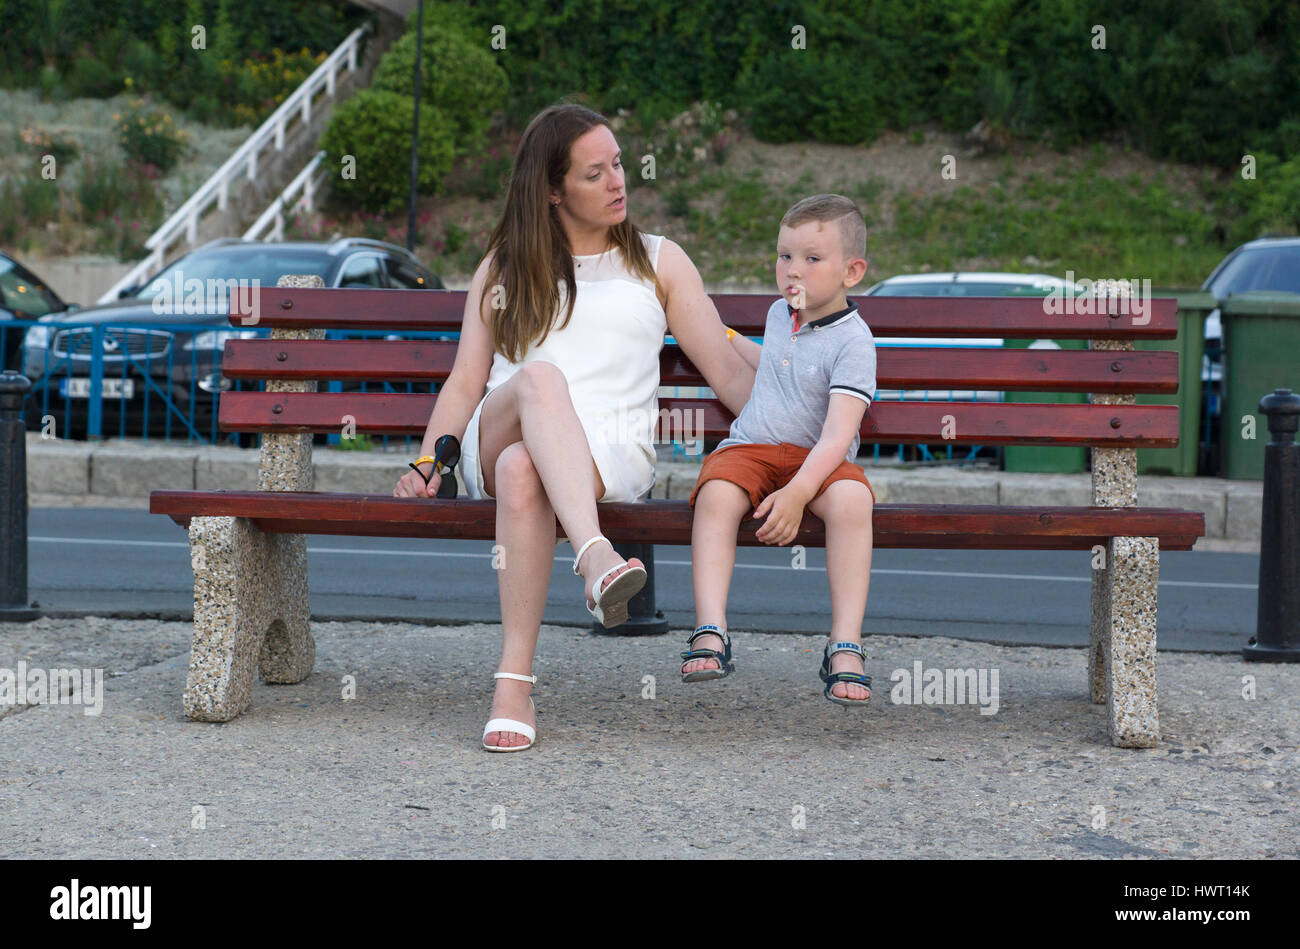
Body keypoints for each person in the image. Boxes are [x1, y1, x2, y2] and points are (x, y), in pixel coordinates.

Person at [393, 103, 756, 751]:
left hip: (607, 457)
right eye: (596, 173)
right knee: (537, 380)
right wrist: (428, 462)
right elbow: (467, 381)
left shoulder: (659, 262)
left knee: (522, 469)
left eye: (618, 164)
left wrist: (821, 398)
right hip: (498, 428)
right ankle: (595, 558)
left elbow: (730, 377)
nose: (618, 181)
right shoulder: (505, 266)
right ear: (553, 190)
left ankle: (513, 685)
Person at [680, 194, 878, 706]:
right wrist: (722, 338)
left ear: (851, 272)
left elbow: (837, 437)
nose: (793, 270)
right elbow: (772, 362)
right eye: (784, 256)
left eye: (812, 259)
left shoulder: (854, 343)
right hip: (754, 447)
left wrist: (795, 495)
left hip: (820, 459)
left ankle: (846, 643)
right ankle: (710, 628)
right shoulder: (778, 313)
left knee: (854, 503)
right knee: (716, 494)